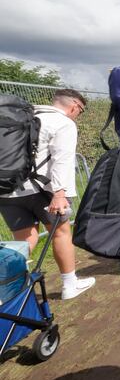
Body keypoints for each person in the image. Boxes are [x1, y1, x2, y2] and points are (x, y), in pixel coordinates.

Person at [0, 89, 95, 300]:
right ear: (74, 107)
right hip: (42, 190)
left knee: (24, 242)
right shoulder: (63, 123)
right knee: (61, 233)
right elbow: (62, 160)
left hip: (7, 190)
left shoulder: (22, 116)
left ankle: (8, 292)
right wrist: (60, 194)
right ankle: (70, 285)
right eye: (80, 110)